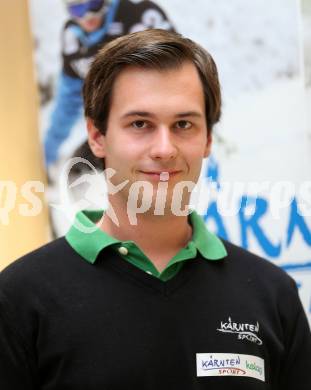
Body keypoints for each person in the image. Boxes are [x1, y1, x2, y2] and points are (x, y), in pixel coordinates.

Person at [1, 29, 310, 389]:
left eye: (183, 124)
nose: (164, 149)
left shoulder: (273, 296)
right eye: (140, 124)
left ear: (208, 138)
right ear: (97, 136)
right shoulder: (18, 298)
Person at [44, 0, 174, 169]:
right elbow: (69, 98)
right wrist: (48, 149)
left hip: (164, 119)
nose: (87, 16)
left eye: (94, 5)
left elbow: (179, 73)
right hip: (118, 128)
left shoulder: (139, 15)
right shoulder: (72, 36)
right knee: (79, 171)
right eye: (78, 9)